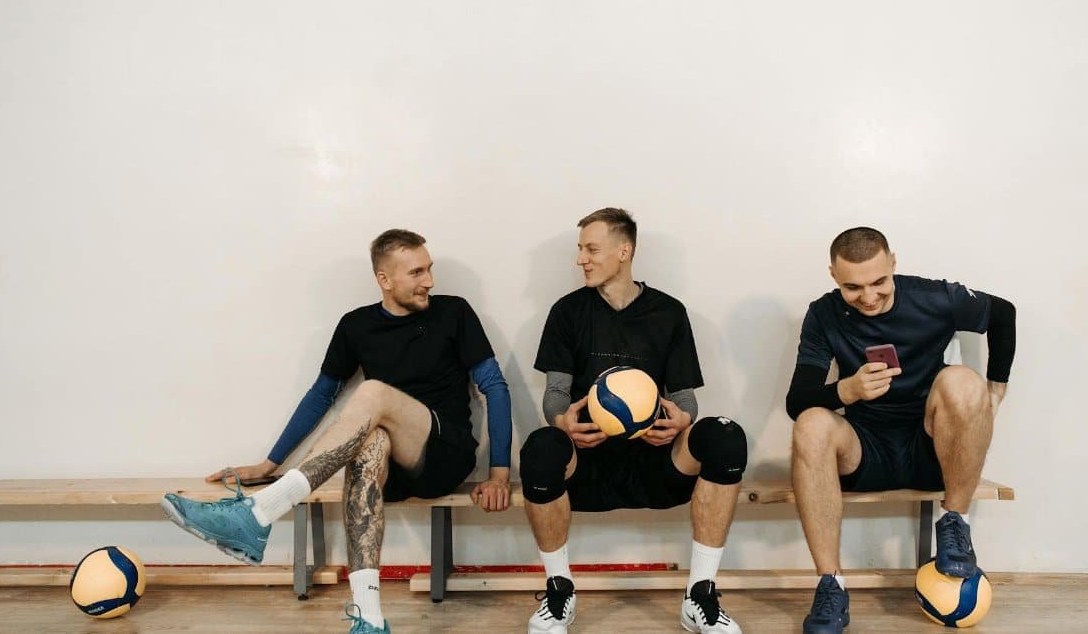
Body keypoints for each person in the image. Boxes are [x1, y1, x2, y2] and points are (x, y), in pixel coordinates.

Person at [160, 229, 513, 634]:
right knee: (369, 450)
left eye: (429, 269)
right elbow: (321, 395)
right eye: (416, 272)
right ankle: (369, 618)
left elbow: (494, 387)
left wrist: (499, 471)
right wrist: (269, 462)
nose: (429, 281)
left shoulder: (454, 312)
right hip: (392, 464)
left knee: (373, 392)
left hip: (444, 451)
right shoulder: (355, 326)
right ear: (384, 279)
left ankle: (261, 511)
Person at [520, 208, 748, 634]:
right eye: (580, 249)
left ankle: (700, 594)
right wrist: (562, 420)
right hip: (587, 463)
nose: (581, 259)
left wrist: (682, 420)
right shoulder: (568, 312)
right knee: (540, 445)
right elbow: (555, 392)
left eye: (592, 249)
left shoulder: (668, 312)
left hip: (655, 462)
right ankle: (559, 591)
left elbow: (684, 400)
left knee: (725, 436)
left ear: (624, 251)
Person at [786, 227, 1016, 634]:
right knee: (811, 424)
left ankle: (954, 523)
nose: (869, 297)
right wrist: (847, 389)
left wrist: (996, 389)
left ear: (893, 263)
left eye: (879, 282)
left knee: (964, 381)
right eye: (853, 287)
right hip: (865, 452)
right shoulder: (823, 313)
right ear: (833, 276)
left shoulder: (934, 297)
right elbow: (797, 401)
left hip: (931, 449)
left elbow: (1003, 314)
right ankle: (830, 585)